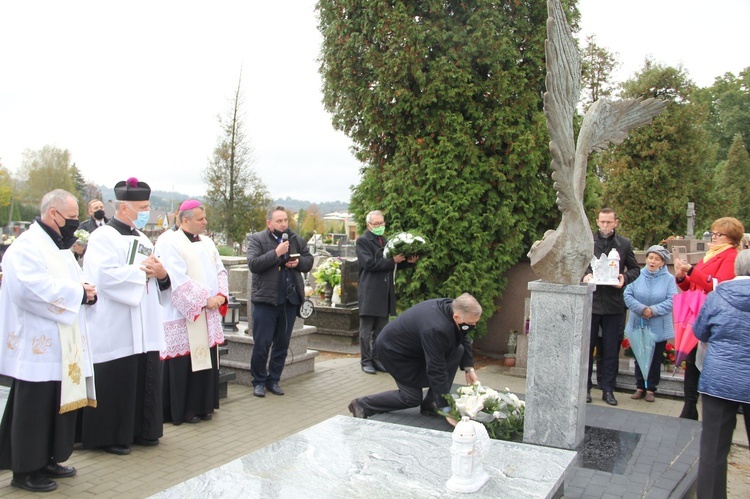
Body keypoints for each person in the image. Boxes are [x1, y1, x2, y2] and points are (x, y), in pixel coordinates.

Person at [0, 189, 97, 492]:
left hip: (62, 343)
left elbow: (68, 282)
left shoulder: (59, 247)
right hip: (36, 344)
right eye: (70, 218)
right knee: (34, 408)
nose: (74, 224)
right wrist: (77, 294)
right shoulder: (26, 247)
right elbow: (29, 288)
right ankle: (25, 470)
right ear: (53, 214)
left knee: (57, 402)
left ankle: (48, 458)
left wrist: (84, 291)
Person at [81, 177, 170, 455]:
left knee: (143, 371)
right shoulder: (102, 238)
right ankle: (112, 436)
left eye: (147, 206)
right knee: (119, 376)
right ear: (123, 208)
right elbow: (104, 277)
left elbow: (155, 275)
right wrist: (140, 271)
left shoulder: (143, 237)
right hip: (116, 320)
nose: (146, 212)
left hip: (145, 320)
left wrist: (160, 273)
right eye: (142, 207)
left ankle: (143, 430)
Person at [348, 293, 480, 418]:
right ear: (457, 317)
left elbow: (462, 337)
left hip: (415, 348)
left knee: (457, 350)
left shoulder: (452, 307)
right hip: (394, 352)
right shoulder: (436, 328)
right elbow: (436, 369)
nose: (473, 326)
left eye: (475, 323)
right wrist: (445, 408)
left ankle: (431, 403)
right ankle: (361, 405)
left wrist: (469, 368)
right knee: (411, 398)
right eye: (470, 324)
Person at [156, 200, 228, 425]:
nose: (205, 222)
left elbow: (220, 270)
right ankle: (183, 410)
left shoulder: (207, 242)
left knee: (205, 358)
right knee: (184, 362)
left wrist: (220, 296)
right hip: (183, 314)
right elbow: (176, 278)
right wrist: (204, 300)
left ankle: (203, 405)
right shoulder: (169, 242)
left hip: (208, 311)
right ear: (184, 220)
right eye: (200, 219)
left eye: (205, 218)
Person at [692, 249, 750, 499]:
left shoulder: (718, 296)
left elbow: (700, 331)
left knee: (713, 449)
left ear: (736, 268)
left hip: (719, 378)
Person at [673, 216, 743, 420]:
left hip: (712, 316)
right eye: (713, 233)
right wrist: (681, 277)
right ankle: (689, 405)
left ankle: (705, 408)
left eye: (718, 234)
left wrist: (691, 271)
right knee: (691, 360)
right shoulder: (710, 255)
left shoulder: (731, 257)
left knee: (703, 361)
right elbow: (692, 286)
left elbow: (718, 285)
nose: (713, 237)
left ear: (730, 238)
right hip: (697, 314)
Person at [246, 206, 313, 398]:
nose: (283, 224)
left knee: (282, 344)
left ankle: (273, 379)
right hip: (266, 301)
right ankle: (258, 381)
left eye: (285, 220)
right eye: (279, 221)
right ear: (269, 223)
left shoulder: (296, 239)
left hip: (289, 301)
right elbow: (253, 264)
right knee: (262, 344)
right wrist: (276, 253)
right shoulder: (257, 239)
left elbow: (309, 260)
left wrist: (298, 263)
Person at [582, 208, 640, 406]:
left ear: (616, 222)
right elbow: (578, 264)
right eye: (602, 222)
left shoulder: (624, 244)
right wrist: (584, 276)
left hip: (614, 304)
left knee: (610, 349)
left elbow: (634, 269)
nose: (605, 225)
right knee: (586, 349)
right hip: (591, 303)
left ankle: (608, 389)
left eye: (609, 222)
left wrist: (624, 278)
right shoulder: (587, 241)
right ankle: (585, 388)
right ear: (597, 222)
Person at [356, 210, 417, 374]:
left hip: (384, 291)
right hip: (369, 291)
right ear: (368, 225)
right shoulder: (362, 241)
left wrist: (407, 262)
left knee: (382, 330)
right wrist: (392, 261)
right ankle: (366, 360)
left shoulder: (385, 240)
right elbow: (370, 264)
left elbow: (393, 265)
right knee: (366, 331)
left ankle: (377, 359)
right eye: (376, 224)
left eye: (381, 223)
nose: (379, 226)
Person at [624, 245, 678, 402]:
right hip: (638, 322)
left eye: (657, 259)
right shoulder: (637, 275)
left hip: (658, 324)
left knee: (654, 359)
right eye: (650, 257)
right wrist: (641, 309)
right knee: (639, 355)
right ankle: (640, 386)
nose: (652, 261)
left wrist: (653, 310)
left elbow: (672, 300)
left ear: (662, 262)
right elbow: (627, 294)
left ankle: (651, 389)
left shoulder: (668, 279)